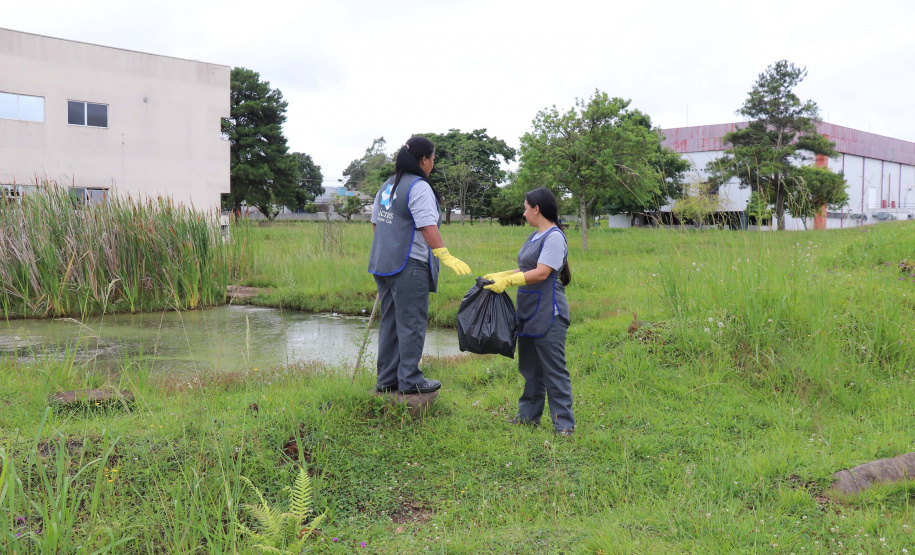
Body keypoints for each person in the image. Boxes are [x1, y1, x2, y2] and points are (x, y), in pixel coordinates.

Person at [367, 136, 471, 394]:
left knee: (390, 321)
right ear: (424, 160)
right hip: (408, 266)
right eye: (433, 159)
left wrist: (389, 249)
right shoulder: (419, 187)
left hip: (383, 265)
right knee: (411, 322)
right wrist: (445, 255)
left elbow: (376, 225)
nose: (432, 164)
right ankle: (411, 380)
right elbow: (427, 226)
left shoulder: (387, 185)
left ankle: (387, 379)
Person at [482, 187, 574, 435]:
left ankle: (564, 426)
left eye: (525, 208)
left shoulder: (554, 236)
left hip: (549, 312)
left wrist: (509, 282)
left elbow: (543, 272)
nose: (523, 213)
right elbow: (524, 267)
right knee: (530, 369)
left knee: (554, 371)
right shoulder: (535, 236)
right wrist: (500, 275)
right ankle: (527, 418)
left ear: (537, 209)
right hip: (529, 310)